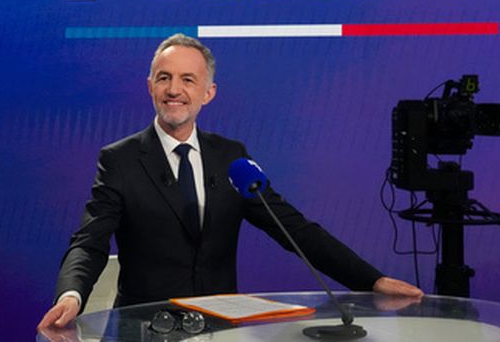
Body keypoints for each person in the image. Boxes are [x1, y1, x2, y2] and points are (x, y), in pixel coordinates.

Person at [38, 34, 422, 331]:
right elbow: (88, 243)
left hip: (220, 330)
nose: (174, 90)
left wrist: (371, 280)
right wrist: (72, 295)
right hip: (146, 329)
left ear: (208, 93)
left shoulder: (230, 156)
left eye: (188, 79)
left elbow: (295, 229)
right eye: (164, 78)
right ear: (150, 86)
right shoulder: (120, 160)